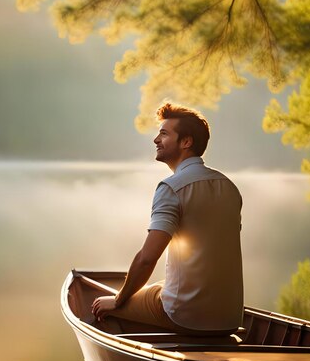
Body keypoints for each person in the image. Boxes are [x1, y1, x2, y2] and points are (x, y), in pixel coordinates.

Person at [91, 103, 243, 335]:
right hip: (230, 318)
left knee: (104, 304)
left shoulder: (171, 188)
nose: (155, 139)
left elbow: (147, 259)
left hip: (185, 316)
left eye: (163, 133)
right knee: (157, 287)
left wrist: (118, 300)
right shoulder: (230, 188)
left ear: (186, 142)